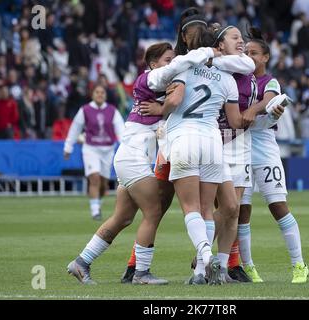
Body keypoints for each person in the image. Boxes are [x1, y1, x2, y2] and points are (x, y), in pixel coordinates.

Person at [66, 40, 223, 285]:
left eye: (172, 59)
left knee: (122, 218)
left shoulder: (159, 91)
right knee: (153, 211)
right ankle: (141, 273)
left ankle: (81, 262)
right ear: (153, 64)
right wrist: (205, 52)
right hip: (133, 160)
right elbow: (174, 73)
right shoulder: (147, 78)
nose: (172, 64)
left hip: (130, 158)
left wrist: (163, 109)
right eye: (167, 60)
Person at [162, 27, 249, 285]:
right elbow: (234, 121)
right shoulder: (228, 79)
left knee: (190, 209)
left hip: (184, 138)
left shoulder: (182, 68)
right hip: (213, 142)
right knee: (207, 210)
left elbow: (170, 98)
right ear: (218, 47)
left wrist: (159, 109)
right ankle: (204, 271)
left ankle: (204, 258)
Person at [229, 27, 309, 284]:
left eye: (254, 53)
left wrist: (257, 110)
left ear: (265, 58)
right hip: (239, 146)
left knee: (278, 206)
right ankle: (248, 267)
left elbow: (270, 100)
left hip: (263, 147)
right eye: (246, 52)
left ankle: (299, 265)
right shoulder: (237, 79)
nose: (249, 56)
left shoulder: (270, 81)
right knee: (241, 211)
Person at [63, 85, 125, 220]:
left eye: (102, 92)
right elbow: (75, 128)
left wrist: (125, 145)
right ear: (92, 95)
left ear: (105, 95)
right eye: (97, 92)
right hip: (90, 149)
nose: (100, 94)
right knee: (94, 178)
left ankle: (97, 201)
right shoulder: (85, 110)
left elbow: (121, 130)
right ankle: (95, 211)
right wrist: (68, 147)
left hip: (108, 150)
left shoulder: (112, 111)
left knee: (103, 184)